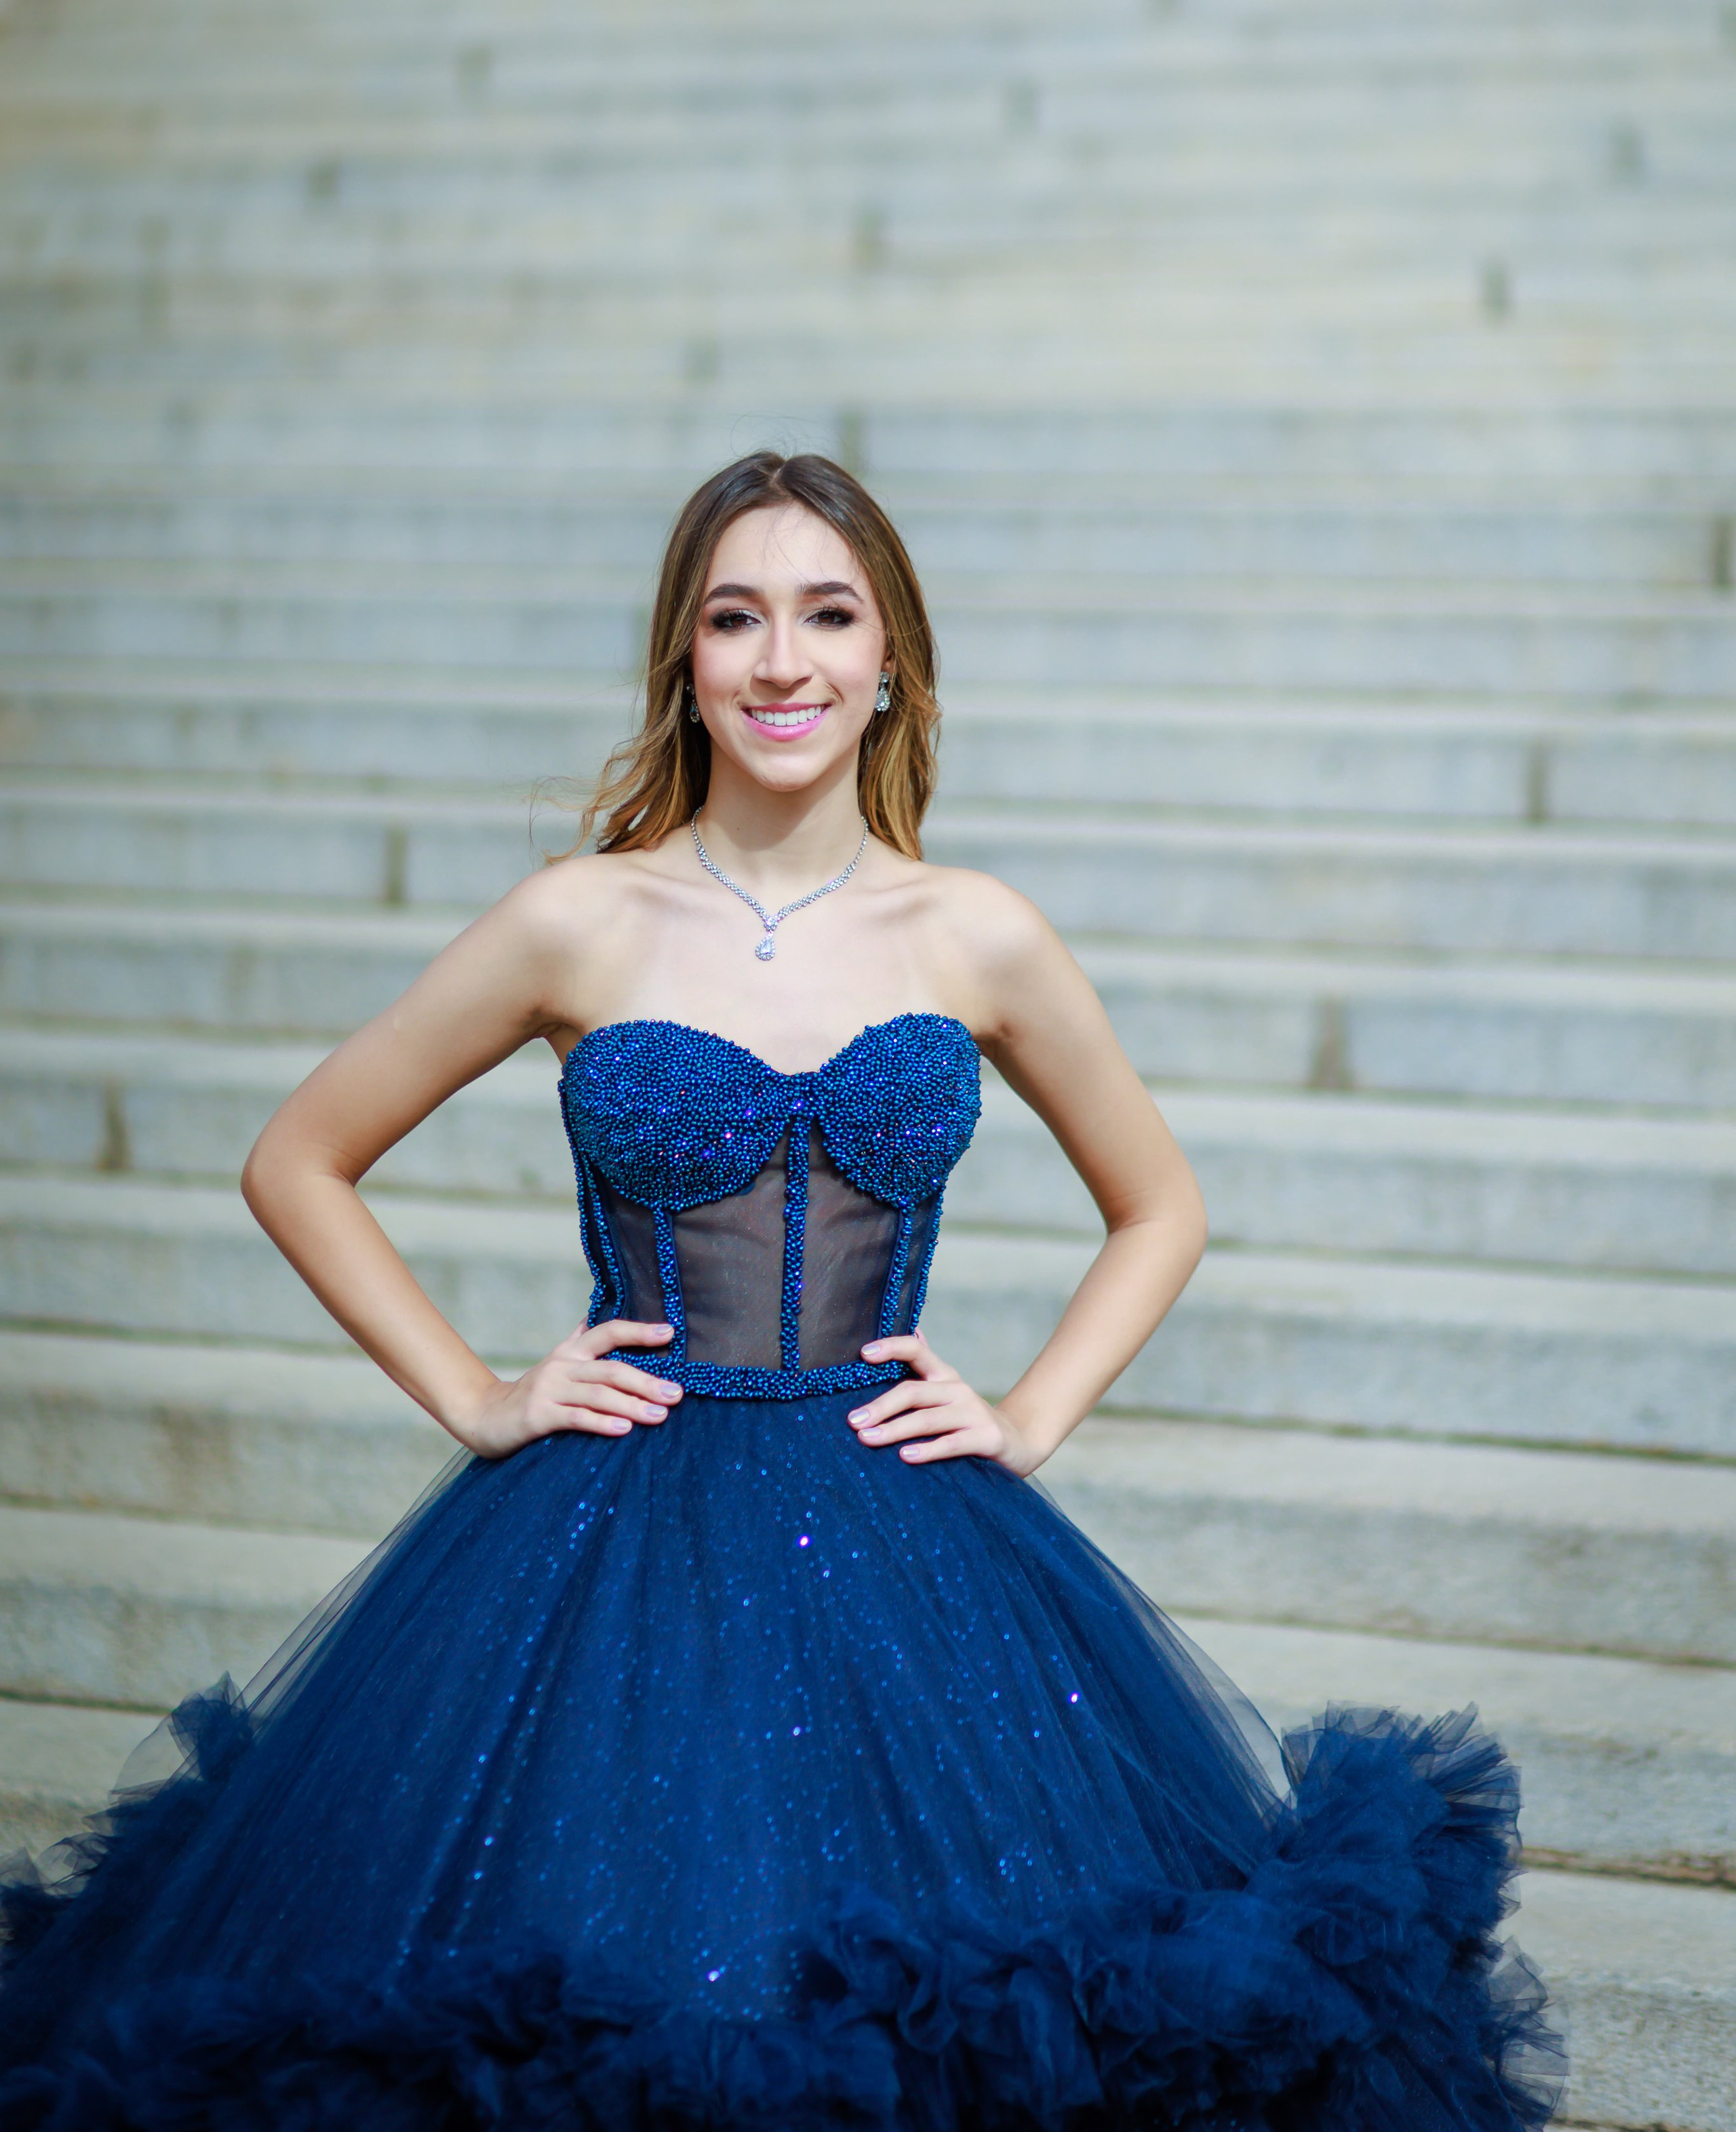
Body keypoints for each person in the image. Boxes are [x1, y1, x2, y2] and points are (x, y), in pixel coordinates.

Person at [0, 452, 1560, 2129]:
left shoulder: (974, 932)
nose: (780, 660)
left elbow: (1159, 1204)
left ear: (891, 660)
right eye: (734, 618)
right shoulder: (577, 919)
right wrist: (477, 1393)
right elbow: (298, 1157)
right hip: (612, 1516)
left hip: (899, 1512)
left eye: (827, 615)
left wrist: (1031, 1412)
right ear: (684, 658)